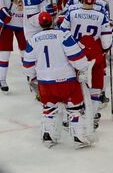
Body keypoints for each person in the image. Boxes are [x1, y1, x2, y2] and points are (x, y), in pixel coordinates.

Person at [22, 10, 94, 148]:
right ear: (53, 21)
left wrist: (33, 78)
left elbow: (28, 65)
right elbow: (77, 57)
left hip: (45, 83)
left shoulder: (33, 40)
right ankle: (78, 136)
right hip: (66, 81)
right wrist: (82, 69)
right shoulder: (63, 35)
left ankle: (48, 135)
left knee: (49, 108)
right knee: (75, 108)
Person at [61, 0, 113, 129]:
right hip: (94, 55)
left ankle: (69, 117)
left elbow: (63, 33)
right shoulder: (101, 15)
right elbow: (106, 43)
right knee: (95, 86)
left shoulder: (72, 12)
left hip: (74, 54)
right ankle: (93, 116)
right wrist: (103, 51)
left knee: (72, 84)